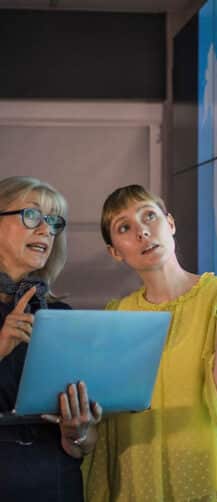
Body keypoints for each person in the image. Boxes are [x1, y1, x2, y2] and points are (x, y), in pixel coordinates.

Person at [83, 184, 217, 502]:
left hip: (215, 481)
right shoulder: (117, 315)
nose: (142, 232)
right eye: (124, 227)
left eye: (149, 216)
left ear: (170, 224)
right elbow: (107, 419)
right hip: (141, 484)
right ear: (114, 251)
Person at [0, 176, 102, 501]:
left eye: (53, 222)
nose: (46, 230)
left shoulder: (61, 314)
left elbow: (83, 445)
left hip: (54, 480)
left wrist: (78, 432)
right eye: (32, 216)